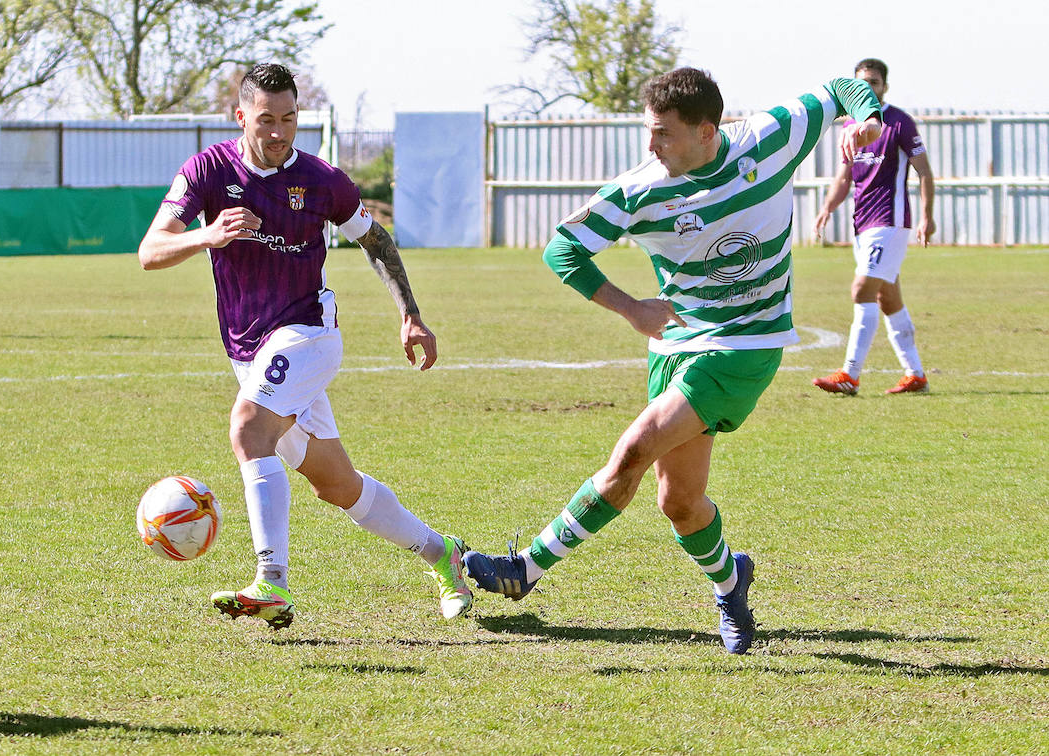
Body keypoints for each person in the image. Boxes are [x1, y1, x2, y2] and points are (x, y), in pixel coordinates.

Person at [462, 68, 885, 654]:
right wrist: (631, 307)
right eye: (648, 132)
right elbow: (562, 249)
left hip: (745, 345)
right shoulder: (641, 188)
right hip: (678, 346)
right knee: (678, 502)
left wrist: (866, 117)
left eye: (663, 134)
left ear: (707, 130)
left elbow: (841, 86)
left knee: (633, 449)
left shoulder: (769, 137)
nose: (651, 146)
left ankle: (524, 569)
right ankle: (732, 584)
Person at [137, 63, 471, 628]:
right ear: (239, 116)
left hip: (309, 335)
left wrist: (411, 315)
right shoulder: (206, 170)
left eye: (289, 118)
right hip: (250, 353)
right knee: (338, 486)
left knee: (248, 430)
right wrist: (208, 234)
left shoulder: (323, 181)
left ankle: (272, 580)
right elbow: (151, 250)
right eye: (265, 119)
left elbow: (376, 241)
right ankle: (445, 554)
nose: (278, 132)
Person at [812, 58, 935, 396]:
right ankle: (916, 375)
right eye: (862, 83)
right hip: (863, 223)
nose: (868, 88)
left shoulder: (899, 123)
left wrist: (927, 216)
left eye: (874, 82)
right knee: (887, 298)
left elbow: (924, 171)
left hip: (890, 221)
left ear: (885, 86)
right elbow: (844, 177)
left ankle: (850, 375)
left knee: (861, 290)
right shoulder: (852, 125)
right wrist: (825, 209)